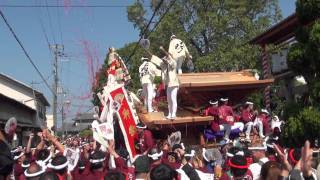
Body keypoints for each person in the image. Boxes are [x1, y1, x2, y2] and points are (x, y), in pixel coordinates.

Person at [151, 48, 179, 120]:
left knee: (173, 99)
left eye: (166, 58)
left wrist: (163, 50)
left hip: (174, 84)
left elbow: (170, 60)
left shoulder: (174, 63)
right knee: (169, 100)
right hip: (169, 84)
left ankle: (173, 114)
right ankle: (170, 114)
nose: (165, 59)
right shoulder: (165, 67)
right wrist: (150, 55)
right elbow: (159, 62)